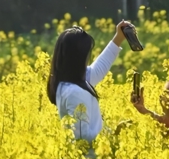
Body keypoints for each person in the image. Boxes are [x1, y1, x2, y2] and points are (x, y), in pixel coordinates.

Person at [47, 21, 132, 151]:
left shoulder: (67, 83)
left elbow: (98, 69)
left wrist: (119, 38)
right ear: (78, 57)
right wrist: (115, 132)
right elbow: (82, 139)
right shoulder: (74, 92)